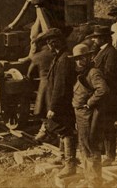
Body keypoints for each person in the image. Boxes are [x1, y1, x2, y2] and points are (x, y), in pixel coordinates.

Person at [40, 28, 78, 178]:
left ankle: (70, 164)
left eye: (50, 43)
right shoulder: (60, 56)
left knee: (66, 130)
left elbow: (60, 86)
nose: (48, 46)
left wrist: (53, 107)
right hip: (62, 101)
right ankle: (62, 156)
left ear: (55, 42)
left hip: (63, 102)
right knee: (62, 129)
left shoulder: (63, 59)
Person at [72, 43, 109, 188]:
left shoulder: (93, 72)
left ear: (89, 57)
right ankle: (89, 180)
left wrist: (89, 102)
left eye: (82, 58)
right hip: (81, 114)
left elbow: (103, 90)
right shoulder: (84, 72)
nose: (80, 61)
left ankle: (95, 182)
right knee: (84, 147)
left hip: (87, 115)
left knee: (91, 147)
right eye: (77, 59)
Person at [90, 25, 117, 166]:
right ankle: (105, 153)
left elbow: (110, 75)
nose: (94, 39)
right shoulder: (102, 51)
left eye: (96, 37)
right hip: (104, 94)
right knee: (102, 124)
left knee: (108, 125)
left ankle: (110, 156)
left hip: (109, 96)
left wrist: (96, 79)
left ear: (103, 38)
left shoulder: (111, 53)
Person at [27, 33, 54, 139]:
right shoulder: (55, 53)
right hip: (57, 84)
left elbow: (30, 74)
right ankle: (50, 131)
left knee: (44, 109)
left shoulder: (37, 56)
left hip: (45, 85)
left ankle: (46, 131)